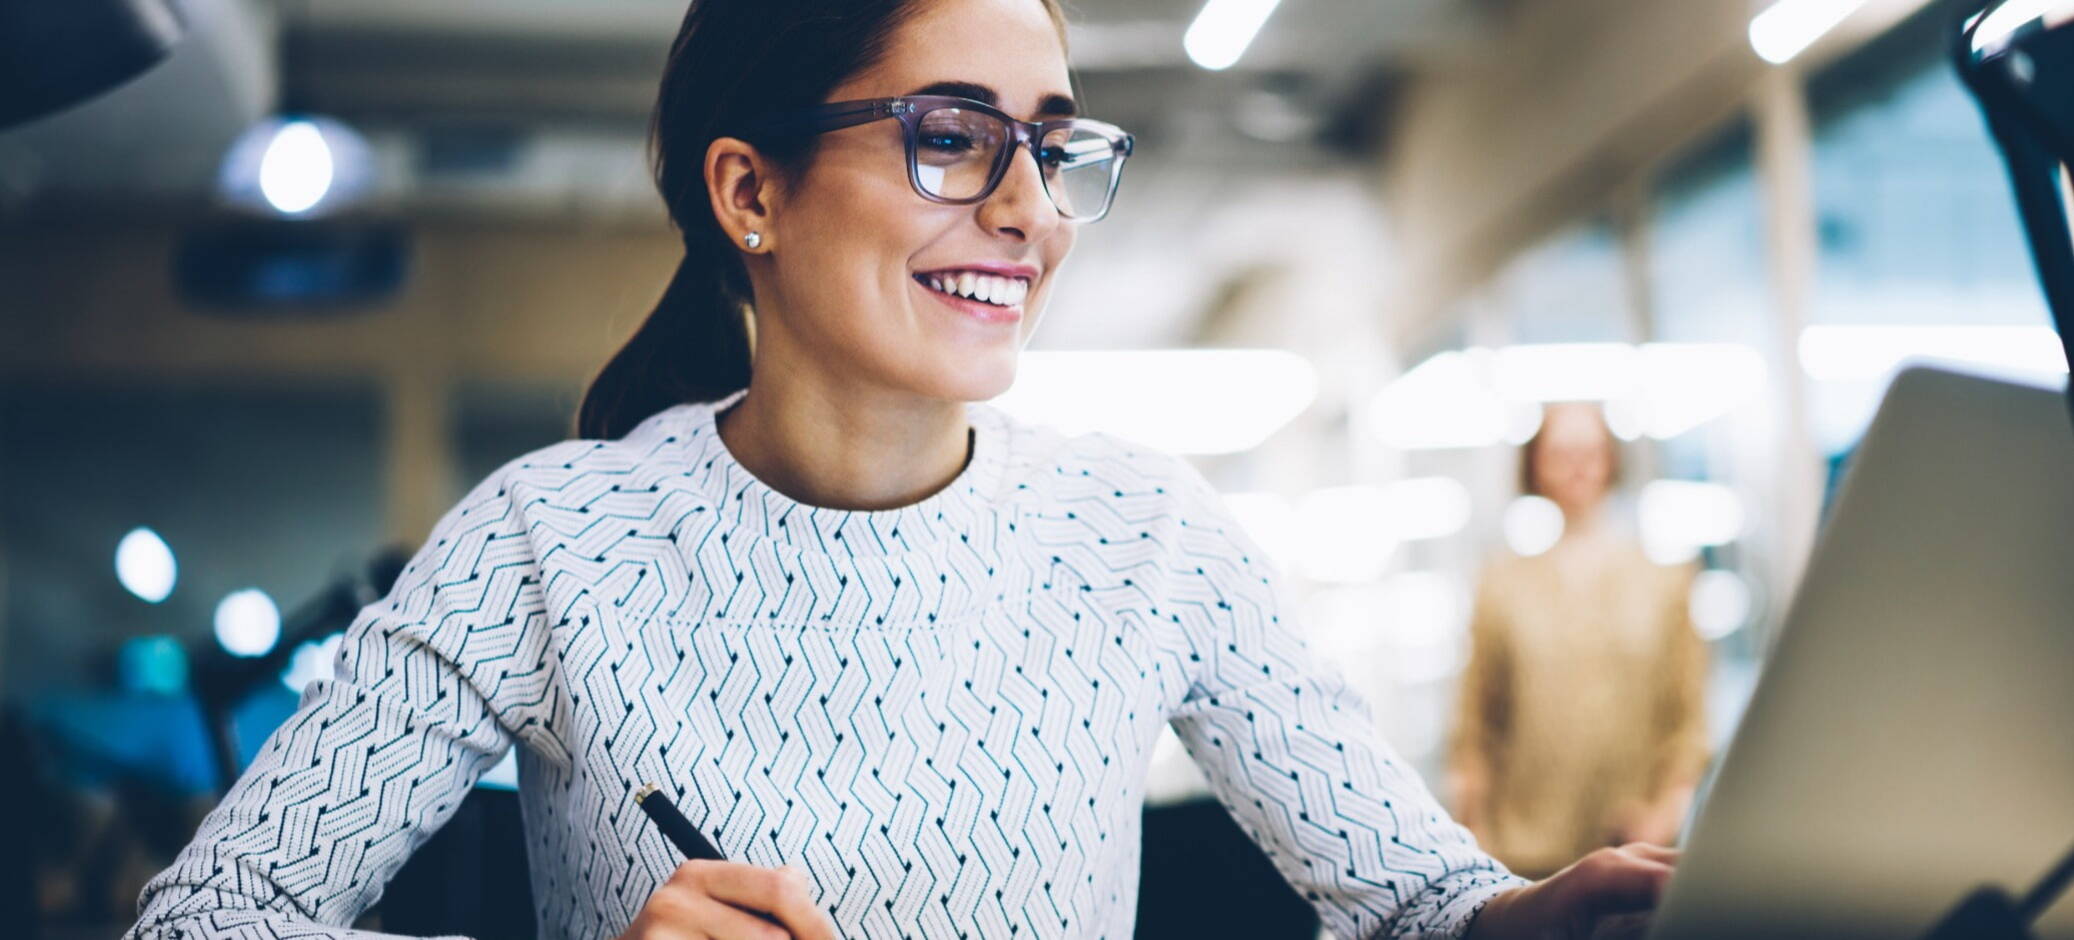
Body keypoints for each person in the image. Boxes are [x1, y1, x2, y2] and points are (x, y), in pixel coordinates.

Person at [127, 1, 1678, 937]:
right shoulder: (552, 541)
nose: (1029, 210)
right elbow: (203, 919)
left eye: (1052, 146)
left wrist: (1528, 915)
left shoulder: (1139, 537)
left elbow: (1413, 900)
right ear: (751, 191)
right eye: (953, 135)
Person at [1448, 403, 1711, 880]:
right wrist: (1476, 839)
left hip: (1632, 852)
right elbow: (1475, 729)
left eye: (1590, 450)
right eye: (1561, 451)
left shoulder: (1665, 583)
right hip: (1523, 854)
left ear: (1611, 459)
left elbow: (1687, 725)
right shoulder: (1501, 585)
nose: (1577, 464)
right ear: (1535, 464)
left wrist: (1662, 815)